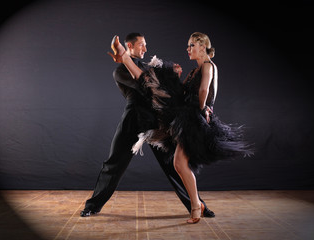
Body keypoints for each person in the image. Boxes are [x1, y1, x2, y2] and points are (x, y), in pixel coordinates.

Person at [109, 32, 253, 224]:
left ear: (202, 47)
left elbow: (205, 90)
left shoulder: (209, 65)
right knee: (178, 163)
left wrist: (203, 111)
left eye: (191, 45)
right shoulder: (195, 71)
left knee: (179, 163)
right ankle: (197, 205)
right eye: (188, 45)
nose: (188, 49)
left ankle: (196, 207)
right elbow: (183, 92)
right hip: (186, 116)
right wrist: (176, 75)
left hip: (195, 119)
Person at [80, 33, 215, 218]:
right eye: (142, 45)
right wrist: (126, 59)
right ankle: (92, 206)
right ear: (130, 45)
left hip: (155, 122)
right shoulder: (120, 71)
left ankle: (199, 206)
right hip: (133, 120)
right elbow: (146, 86)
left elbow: (166, 90)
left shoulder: (147, 67)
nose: (145, 48)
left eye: (145, 45)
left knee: (174, 166)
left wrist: (175, 75)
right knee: (114, 165)